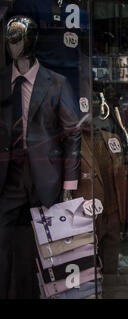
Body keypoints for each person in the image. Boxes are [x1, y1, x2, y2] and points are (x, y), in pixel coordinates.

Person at [0, 16, 81, 298]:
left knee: (48, 251)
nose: (14, 45)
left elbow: (72, 134)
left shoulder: (56, 83)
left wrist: (70, 186)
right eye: (10, 38)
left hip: (45, 179)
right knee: (5, 249)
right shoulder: (1, 82)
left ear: (32, 41)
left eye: (19, 38)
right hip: (6, 180)